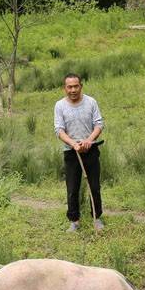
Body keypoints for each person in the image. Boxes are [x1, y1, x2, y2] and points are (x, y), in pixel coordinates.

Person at [54, 73, 104, 232]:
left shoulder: (91, 102)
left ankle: (97, 218)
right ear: (65, 88)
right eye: (69, 87)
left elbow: (99, 124)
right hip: (71, 152)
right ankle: (74, 220)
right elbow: (59, 130)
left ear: (81, 86)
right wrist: (73, 144)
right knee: (72, 188)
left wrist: (89, 140)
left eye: (76, 86)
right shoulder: (60, 106)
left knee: (94, 187)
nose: (73, 90)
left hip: (91, 149)